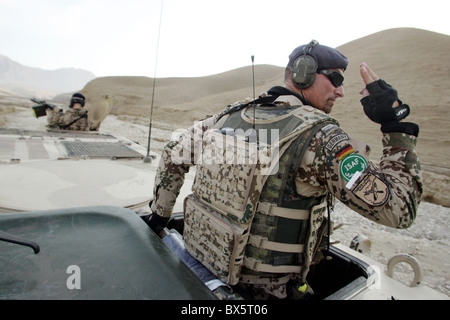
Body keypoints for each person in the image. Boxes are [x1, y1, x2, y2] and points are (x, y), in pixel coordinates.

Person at [143, 41, 422, 299]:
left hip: (202, 265)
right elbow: (399, 210)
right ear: (304, 74)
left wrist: (159, 217)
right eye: (335, 79)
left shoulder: (226, 117)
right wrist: (395, 126)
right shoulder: (322, 139)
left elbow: (172, 154)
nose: (341, 91)